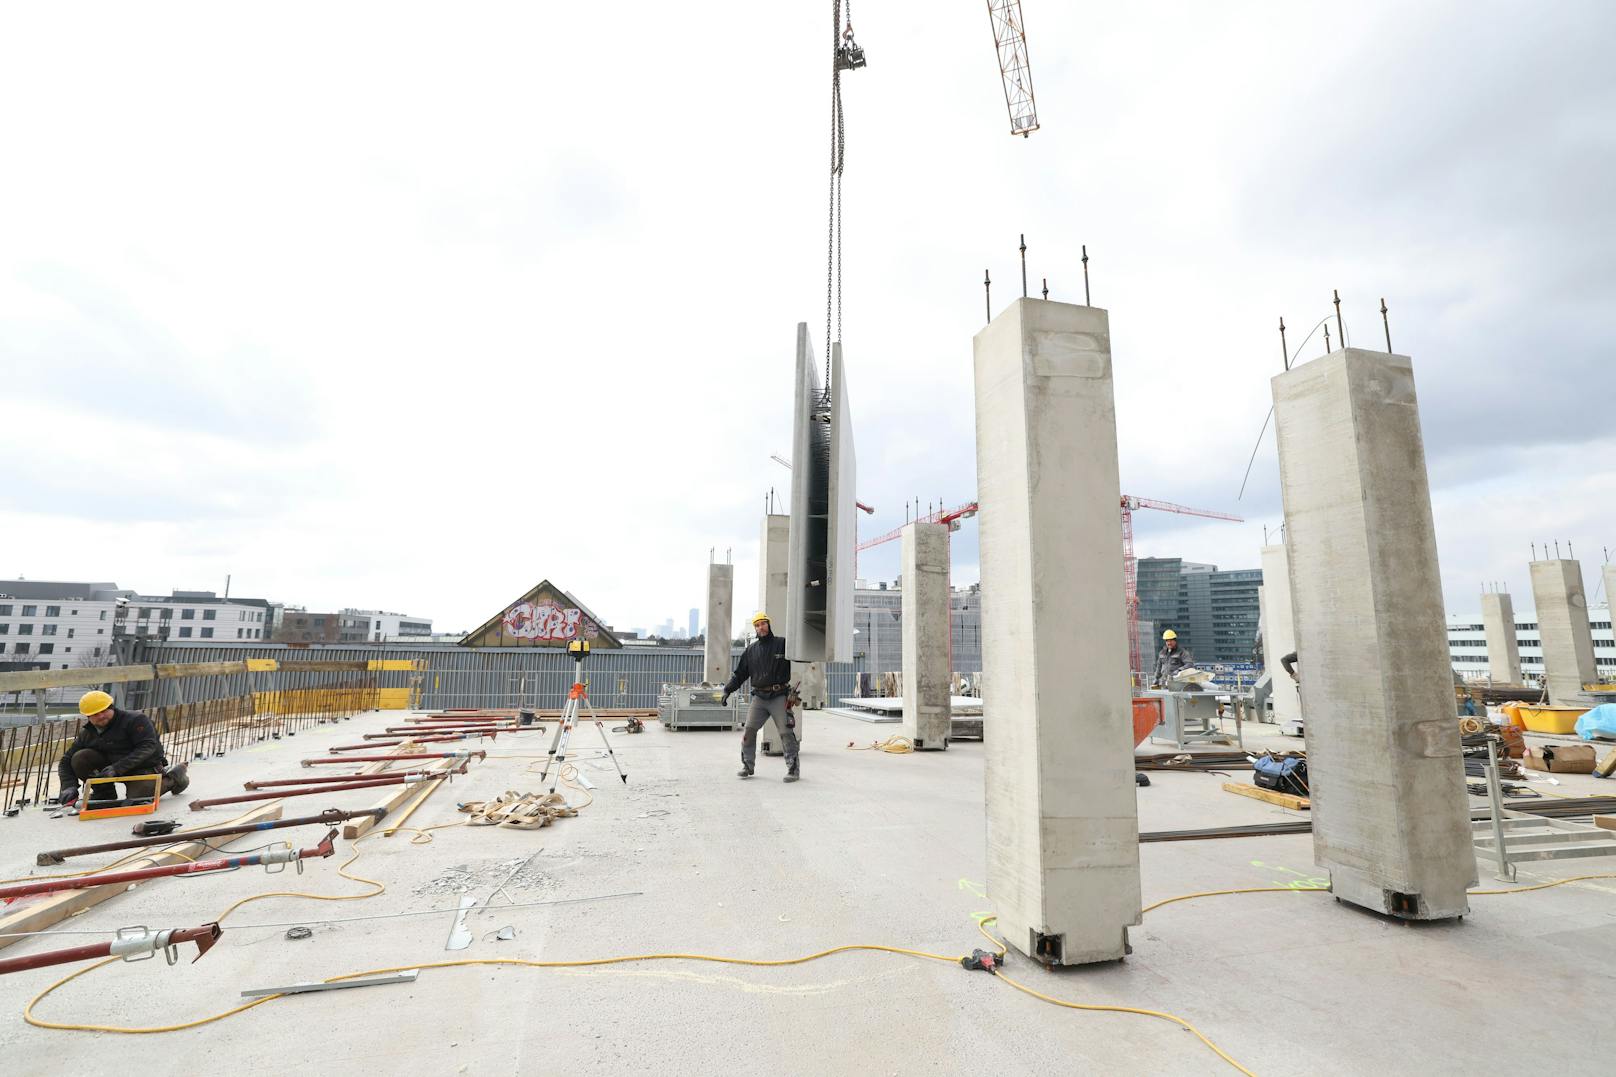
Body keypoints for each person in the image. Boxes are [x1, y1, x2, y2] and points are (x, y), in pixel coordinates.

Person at [55, 691, 189, 807]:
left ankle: (174, 777)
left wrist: (117, 768)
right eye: (95, 714)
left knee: (138, 799)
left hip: (142, 767)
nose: (101, 716)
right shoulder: (88, 733)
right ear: (88, 717)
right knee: (80, 757)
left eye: (104, 711)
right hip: (112, 769)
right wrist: (69, 786)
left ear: (112, 708)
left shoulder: (136, 720)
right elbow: (66, 761)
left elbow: (147, 747)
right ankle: (104, 793)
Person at [722, 611, 800, 783]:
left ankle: (793, 769)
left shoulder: (782, 644)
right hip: (759, 697)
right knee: (749, 730)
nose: (760, 627)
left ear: (768, 624)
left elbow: (800, 654)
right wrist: (727, 690)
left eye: (763, 623)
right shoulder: (751, 651)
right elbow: (740, 674)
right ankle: (747, 766)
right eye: (757, 625)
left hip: (779, 695)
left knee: (786, 732)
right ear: (755, 629)